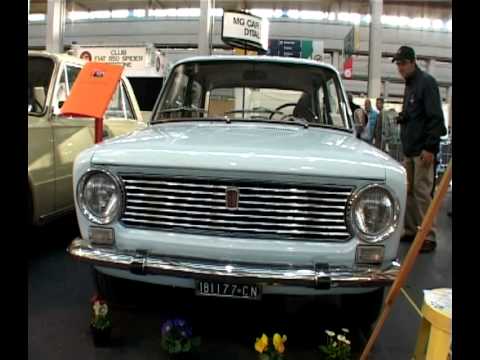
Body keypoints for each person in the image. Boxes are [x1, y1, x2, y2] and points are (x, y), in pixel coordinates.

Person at [393, 45, 447, 253]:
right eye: (398, 64)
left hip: (423, 151)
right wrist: (403, 118)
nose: (400, 68)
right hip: (410, 149)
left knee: (423, 193)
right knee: (410, 193)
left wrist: (430, 147)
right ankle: (411, 229)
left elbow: (435, 118)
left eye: (403, 64)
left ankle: (428, 235)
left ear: (413, 62)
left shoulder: (426, 83)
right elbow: (416, 114)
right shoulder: (410, 85)